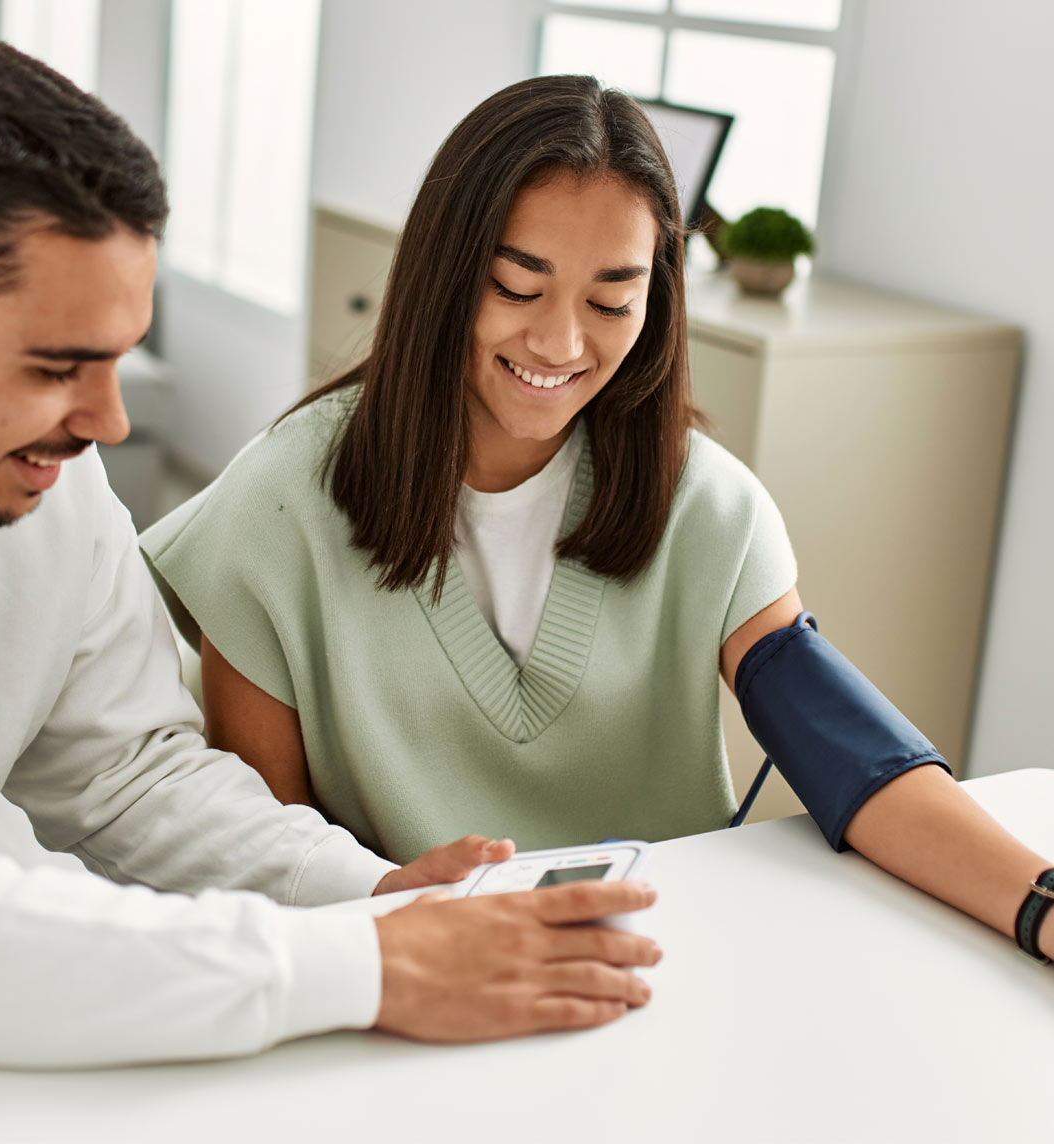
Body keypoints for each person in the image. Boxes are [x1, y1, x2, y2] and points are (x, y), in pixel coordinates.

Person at [0, 43, 669, 1069]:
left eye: (113, 356)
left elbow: (130, 772)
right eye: (57, 367)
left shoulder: (29, 460)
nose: (106, 420)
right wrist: (370, 968)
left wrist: (364, 893)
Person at [141, 75, 1054, 964]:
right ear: (443, 273)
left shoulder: (705, 503)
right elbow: (272, 858)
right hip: (413, 974)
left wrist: (1041, 906)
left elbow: (856, 760)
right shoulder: (280, 501)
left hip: (654, 969)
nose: (561, 344)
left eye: (612, 300)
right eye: (516, 286)